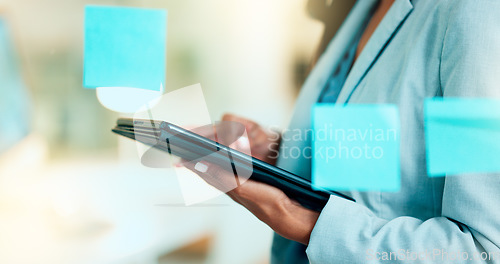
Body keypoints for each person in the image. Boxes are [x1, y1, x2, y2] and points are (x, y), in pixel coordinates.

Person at [182, 0, 500, 263]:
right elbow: (380, 171)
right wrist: (280, 152)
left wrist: (304, 220)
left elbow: (481, 250)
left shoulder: (473, 13)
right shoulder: (365, 9)